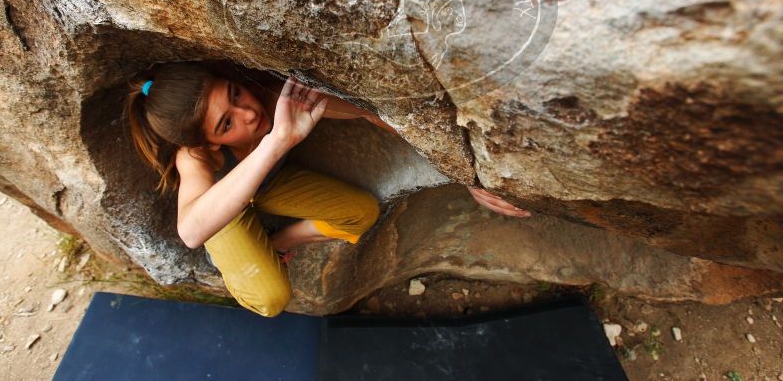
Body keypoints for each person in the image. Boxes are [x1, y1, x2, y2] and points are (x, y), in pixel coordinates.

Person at [124, 61, 530, 316]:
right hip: (223, 210)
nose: (247, 113)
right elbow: (192, 231)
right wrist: (277, 142)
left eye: (235, 94)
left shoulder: (276, 97)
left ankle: (279, 241)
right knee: (270, 298)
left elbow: (376, 115)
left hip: (266, 187)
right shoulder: (194, 158)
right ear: (208, 143)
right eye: (226, 124)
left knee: (362, 213)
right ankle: (249, 257)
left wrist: (465, 174)